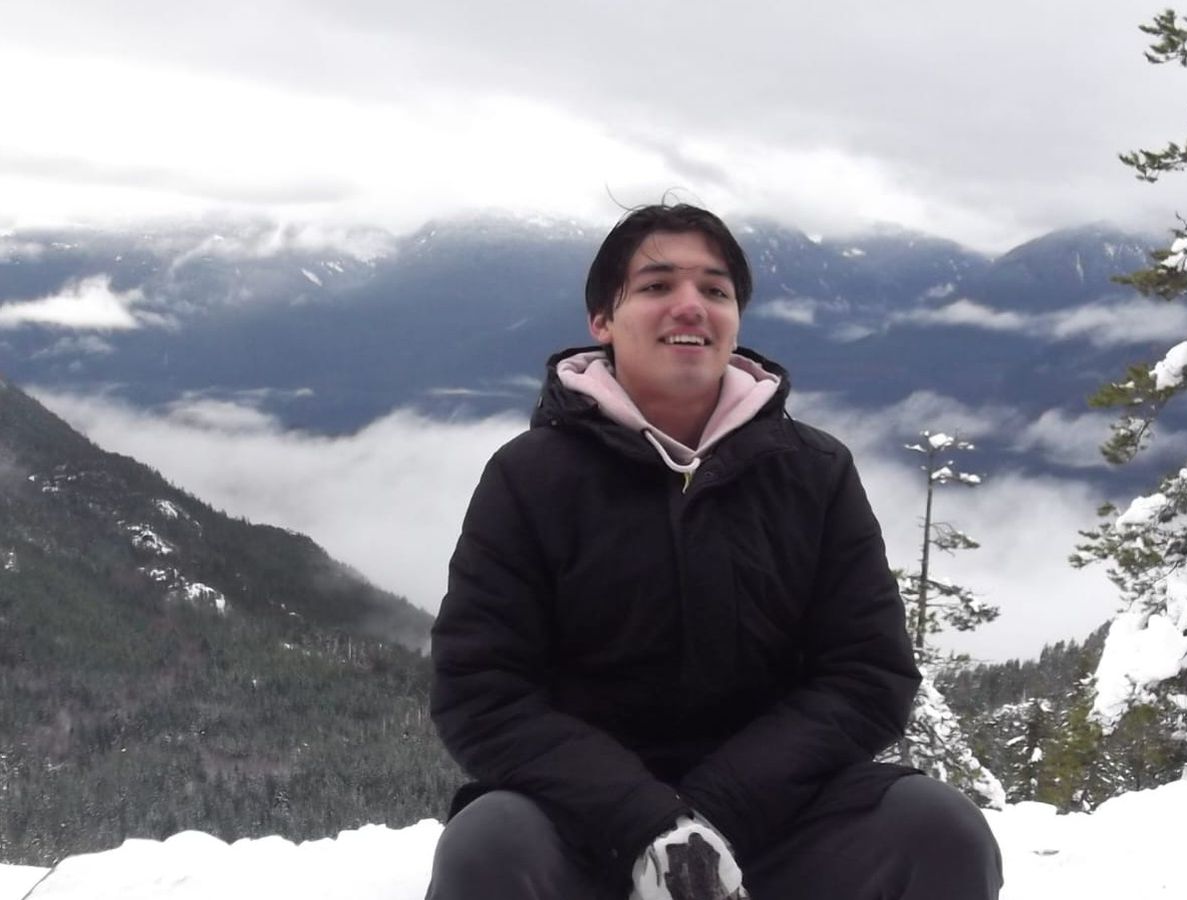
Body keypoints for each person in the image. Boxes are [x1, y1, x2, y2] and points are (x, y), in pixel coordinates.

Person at [425, 203, 1003, 900]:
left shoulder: (813, 473)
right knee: (487, 846)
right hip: (585, 825)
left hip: (777, 818)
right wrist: (645, 821)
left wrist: (712, 816)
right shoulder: (530, 478)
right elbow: (482, 690)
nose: (690, 305)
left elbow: (867, 675)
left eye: (715, 290)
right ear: (602, 320)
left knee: (938, 830)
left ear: (736, 319)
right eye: (656, 285)